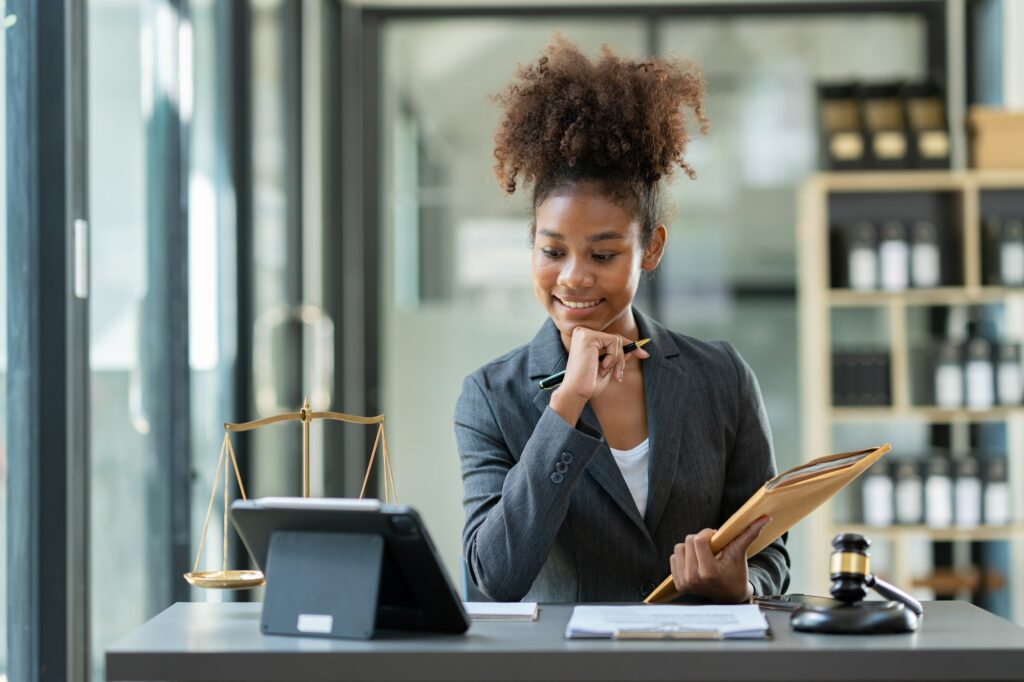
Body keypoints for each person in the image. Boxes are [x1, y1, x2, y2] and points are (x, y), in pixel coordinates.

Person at [455, 38, 790, 604]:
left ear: (651, 248)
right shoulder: (491, 396)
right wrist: (567, 403)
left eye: (604, 255)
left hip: (697, 659)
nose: (574, 278)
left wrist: (746, 585)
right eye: (552, 251)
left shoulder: (722, 377)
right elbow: (493, 580)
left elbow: (771, 554)